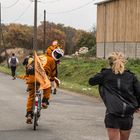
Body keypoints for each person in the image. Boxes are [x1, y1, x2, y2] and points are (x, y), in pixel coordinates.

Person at [89, 52, 140, 140]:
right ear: (124, 62)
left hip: (112, 114)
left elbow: (91, 81)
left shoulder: (105, 74)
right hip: (127, 115)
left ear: (110, 62)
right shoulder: (131, 76)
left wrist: (103, 72)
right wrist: (137, 106)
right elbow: (139, 92)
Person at [25, 48, 64, 124]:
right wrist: (52, 79)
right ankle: (44, 101)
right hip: (43, 77)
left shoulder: (40, 56)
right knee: (48, 87)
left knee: (31, 96)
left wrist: (27, 77)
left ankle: (29, 114)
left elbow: (29, 67)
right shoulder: (52, 61)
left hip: (32, 77)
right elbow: (53, 73)